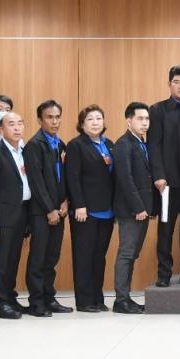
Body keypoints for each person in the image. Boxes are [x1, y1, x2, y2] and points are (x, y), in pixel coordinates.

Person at [23, 100, 72, 317]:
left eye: (57, 117)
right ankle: (36, 302)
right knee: (38, 258)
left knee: (52, 257)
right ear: (40, 120)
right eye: (49, 117)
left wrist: (65, 201)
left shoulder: (60, 144)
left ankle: (48, 298)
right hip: (41, 212)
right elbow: (36, 181)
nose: (54, 121)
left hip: (59, 211)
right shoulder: (34, 145)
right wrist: (49, 209)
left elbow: (64, 178)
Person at [149, 65, 180, 286]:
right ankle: (164, 274)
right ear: (169, 84)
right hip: (167, 182)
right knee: (166, 228)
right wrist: (158, 175)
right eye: (176, 82)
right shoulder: (158, 110)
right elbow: (154, 145)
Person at [66, 105, 115, 313]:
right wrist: (79, 205)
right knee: (84, 256)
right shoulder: (76, 145)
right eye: (90, 119)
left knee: (99, 256)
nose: (95, 122)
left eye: (98, 118)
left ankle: (97, 298)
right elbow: (73, 177)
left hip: (107, 210)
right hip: (85, 211)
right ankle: (84, 301)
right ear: (82, 124)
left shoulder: (109, 144)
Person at [0, 112, 30, 319]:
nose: (17, 128)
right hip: (3, 217)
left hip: (22, 213)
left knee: (13, 259)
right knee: (1, 261)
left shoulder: (25, 152)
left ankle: (10, 297)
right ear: (1, 129)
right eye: (11, 124)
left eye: (20, 123)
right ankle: (1, 303)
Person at [112, 102, 157, 313]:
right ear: (129, 121)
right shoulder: (123, 144)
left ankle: (126, 297)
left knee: (132, 254)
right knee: (126, 254)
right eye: (140, 119)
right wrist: (139, 207)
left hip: (142, 210)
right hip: (131, 210)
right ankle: (120, 300)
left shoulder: (141, 143)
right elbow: (125, 179)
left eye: (147, 119)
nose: (145, 123)